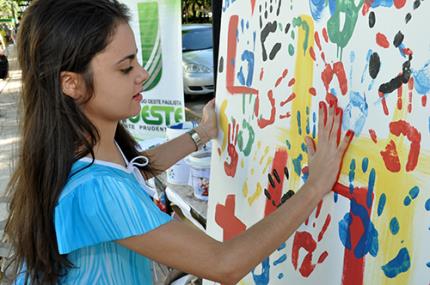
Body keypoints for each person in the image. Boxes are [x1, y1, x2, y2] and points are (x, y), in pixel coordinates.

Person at [4, 0, 354, 284]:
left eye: (137, 59)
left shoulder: (77, 149)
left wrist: (201, 134)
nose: (142, 73)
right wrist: (314, 187)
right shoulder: (96, 190)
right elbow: (225, 264)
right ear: (72, 84)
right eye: (125, 68)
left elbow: (136, 167)